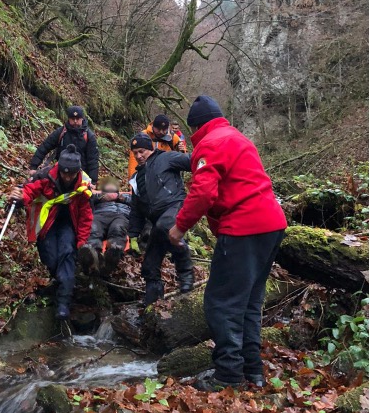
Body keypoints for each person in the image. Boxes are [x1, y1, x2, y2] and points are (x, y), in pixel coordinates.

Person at [167, 95, 287, 392]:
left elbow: (203, 193)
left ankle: (228, 375)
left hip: (244, 228)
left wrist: (179, 228)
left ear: (195, 127)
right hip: (272, 225)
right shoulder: (238, 138)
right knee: (249, 303)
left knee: (221, 303)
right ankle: (252, 370)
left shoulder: (210, 144)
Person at [9, 145, 93, 320]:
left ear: (77, 172)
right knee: (50, 257)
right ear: (59, 169)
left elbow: (86, 215)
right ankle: (61, 280)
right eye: (64, 173)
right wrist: (21, 197)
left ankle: (63, 302)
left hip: (69, 223)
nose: (67, 177)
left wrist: (82, 241)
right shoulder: (46, 176)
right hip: (48, 221)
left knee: (67, 251)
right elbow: (30, 190)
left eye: (71, 175)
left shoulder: (84, 185)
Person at [127, 133, 195, 307]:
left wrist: (207, 171)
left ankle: (186, 273)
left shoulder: (166, 158)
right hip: (157, 221)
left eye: (141, 151)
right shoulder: (136, 179)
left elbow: (193, 161)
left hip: (175, 206)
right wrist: (132, 234)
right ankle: (153, 304)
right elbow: (136, 208)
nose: (138, 156)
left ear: (150, 149)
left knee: (165, 225)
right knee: (149, 265)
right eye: (135, 153)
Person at [29, 105, 100, 187]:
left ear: (82, 119)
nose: (75, 121)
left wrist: (92, 181)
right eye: (72, 119)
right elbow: (44, 147)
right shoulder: (61, 132)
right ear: (69, 119)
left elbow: (93, 160)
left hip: (80, 176)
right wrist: (33, 166)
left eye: (78, 119)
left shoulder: (89, 136)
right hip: (60, 174)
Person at [78, 177, 130, 278]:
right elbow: (87, 200)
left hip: (120, 215)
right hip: (100, 215)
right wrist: (101, 197)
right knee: (93, 227)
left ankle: (113, 252)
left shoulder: (126, 196)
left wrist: (123, 198)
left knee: (118, 228)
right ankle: (93, 253)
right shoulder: (97, 196)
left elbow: (138, 203)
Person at [126, 114, 188, 181]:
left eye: (164, 129)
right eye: (158, 129)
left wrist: (182, 151)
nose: (161, 132)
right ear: (153, 126)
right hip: (146, 174)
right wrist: (132, 180)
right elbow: (134, 159)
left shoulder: (173, 138)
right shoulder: (142, 136)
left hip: (166, 175)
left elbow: (183, 158)